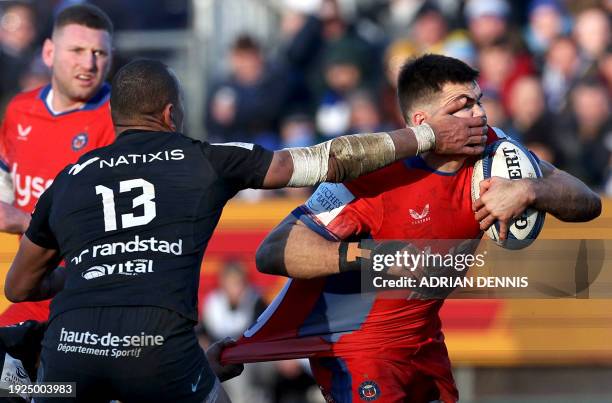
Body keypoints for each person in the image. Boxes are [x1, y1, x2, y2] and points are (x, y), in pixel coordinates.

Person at [4, 58, 487, 403]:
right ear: (172, 114)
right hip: (158, 357)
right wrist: (426, 136)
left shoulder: (69, 179)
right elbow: (328, 161)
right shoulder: (204, 159)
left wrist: (95, 271)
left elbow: (19, 285)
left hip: (68, 357)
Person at [223, 55, 602, 403]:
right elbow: (273, 250)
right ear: (423, 124)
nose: (480, 114)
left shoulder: (494, 148)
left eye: (479, 100)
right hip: (360, 349)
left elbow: (587, 201)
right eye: (463, 106)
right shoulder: (373, 176)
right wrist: (369, 257)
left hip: (424, 342)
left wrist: (529, 188)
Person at [0, 4, 116, 326]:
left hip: (89, 297)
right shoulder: (21, 109)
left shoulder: (119, 123)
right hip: (30, 290)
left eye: (99, 53)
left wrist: (25, 221)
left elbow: (111, 232)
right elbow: (6, 179)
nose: (89, 63)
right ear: (49, 52)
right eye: (77, 50)